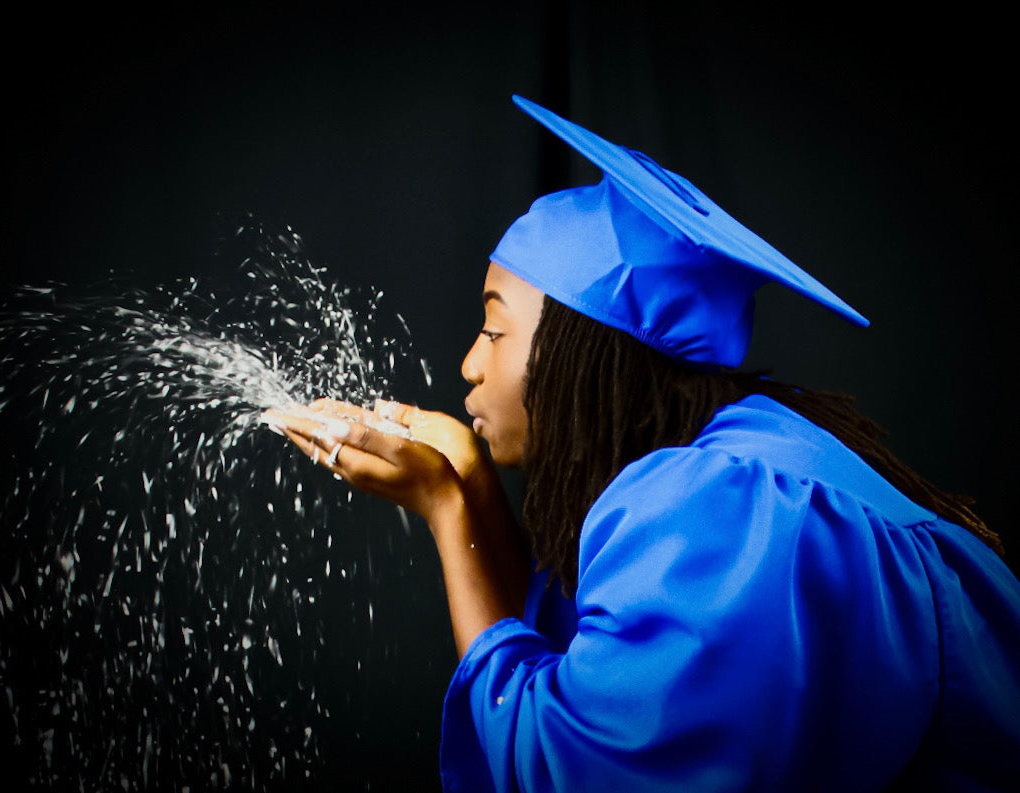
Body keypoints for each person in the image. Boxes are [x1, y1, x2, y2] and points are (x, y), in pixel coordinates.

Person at [265, 96, 1020, 792]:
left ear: (589, 356)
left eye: (496, 329)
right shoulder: (743, 460)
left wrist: (445, 510)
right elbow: (597, 669)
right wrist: (470, 483)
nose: (470, 363)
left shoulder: (719, 513)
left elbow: (577, 769)